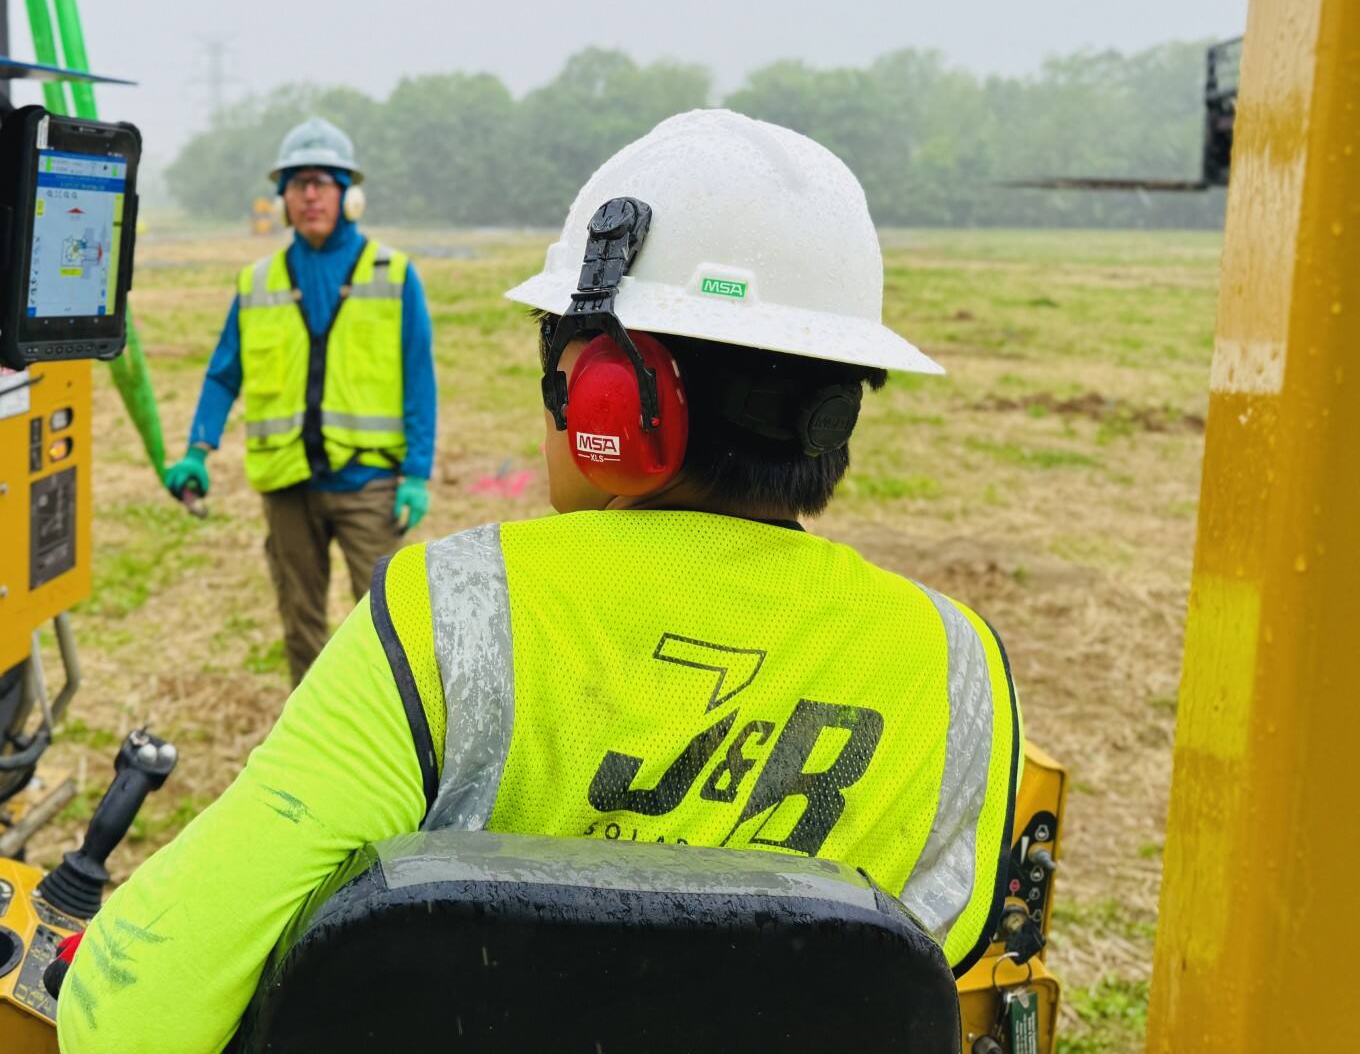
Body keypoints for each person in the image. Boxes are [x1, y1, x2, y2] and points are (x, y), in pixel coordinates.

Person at [64, 109, 1019, 1053]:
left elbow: (130, 1022)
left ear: (610, 396)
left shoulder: (452, 617)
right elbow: (928, 966)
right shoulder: (956, 670)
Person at [163, 117, 437, 685]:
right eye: (297, 183)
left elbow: (419, 380)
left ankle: (398, 750)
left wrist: (416, 473)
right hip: (288, 486)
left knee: (390, 632)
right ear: (282, 199)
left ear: (348, 194)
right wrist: (197, 448)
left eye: (322, 181)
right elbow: (222, 377)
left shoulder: (394, 275)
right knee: (301, 626)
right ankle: (312, 753)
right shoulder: (256, 283)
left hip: (370, 487)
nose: (310, 194)